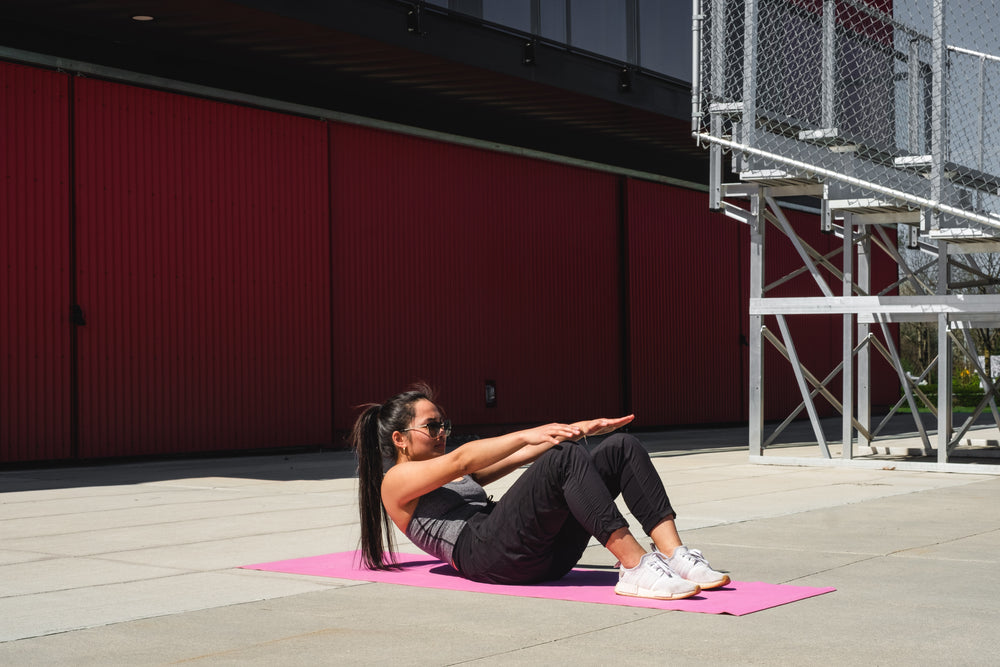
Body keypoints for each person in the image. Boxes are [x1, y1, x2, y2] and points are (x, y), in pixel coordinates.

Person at [349, 383, 730, 600]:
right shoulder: (396, 483)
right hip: (487, 555)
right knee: (563, 458)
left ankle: (675, 555)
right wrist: (528, 432)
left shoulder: (442, 475)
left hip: (539, 556)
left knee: (619, 447)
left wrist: (578, 429)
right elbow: (462, 460)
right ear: (399, 440)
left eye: (443, 425)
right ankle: (635, 568)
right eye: (432, 427)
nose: (442, 433)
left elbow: (522, 456)